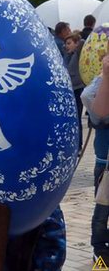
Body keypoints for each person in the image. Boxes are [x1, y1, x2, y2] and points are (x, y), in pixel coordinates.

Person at [82, 50, 109, 262]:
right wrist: (105, 75)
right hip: (105, 160)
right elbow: (94, 107)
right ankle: (100, 254)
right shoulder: (101, 81)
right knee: (102, 211)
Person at [63, 32, 85, 148]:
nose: (67, 46)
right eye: (66, 44)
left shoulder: (78, 53)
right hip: (70, 89)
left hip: (77, 89)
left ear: (76, 44)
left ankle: (79, 145)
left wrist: (76, 39)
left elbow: (82, 42)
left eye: (69, 43)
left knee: (77, 118)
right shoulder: (68, 55)